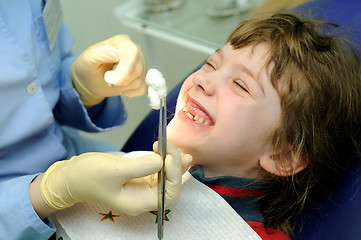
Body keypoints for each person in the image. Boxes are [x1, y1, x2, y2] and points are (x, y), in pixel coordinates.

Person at [50, 12, 361, 240]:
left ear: (283, 155)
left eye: (241, 85)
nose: (202, 79)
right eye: (211, 63)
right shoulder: (112, 178)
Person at [0, 0, 191, 239]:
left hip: (76, 154)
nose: (205, 83)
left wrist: (80, 88)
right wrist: (46, 193)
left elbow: (37, 85)